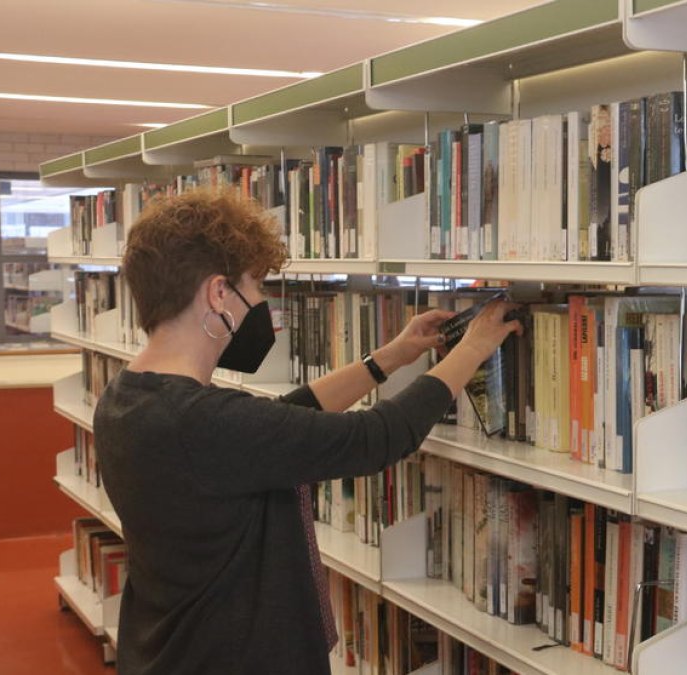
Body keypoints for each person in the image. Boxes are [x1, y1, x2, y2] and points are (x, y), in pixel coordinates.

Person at [93, 189, 520, 675]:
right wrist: (472, 349)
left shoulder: (126, 399)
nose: (261, 303)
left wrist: (387, 359)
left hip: (166, 649)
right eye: (255, 286)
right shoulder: (205, 422)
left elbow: (277, 427)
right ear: (218, 294)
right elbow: (376, 437)